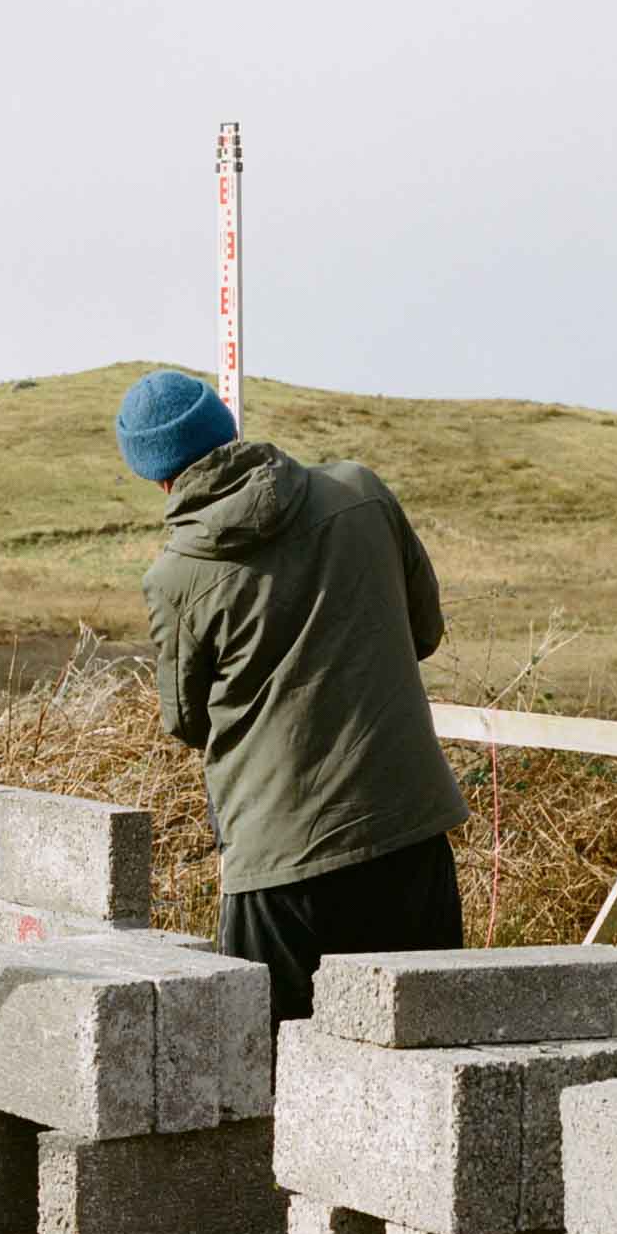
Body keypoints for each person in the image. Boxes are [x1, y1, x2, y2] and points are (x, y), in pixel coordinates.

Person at [117, 368, 468, 1025]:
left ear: (158, 478)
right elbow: (424, 631)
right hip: (406, 830)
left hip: (278, 861)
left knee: (278, 1076)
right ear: (228, 428)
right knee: (428, 1064)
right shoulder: (359, 491)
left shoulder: (174, 576)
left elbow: (184, 720)